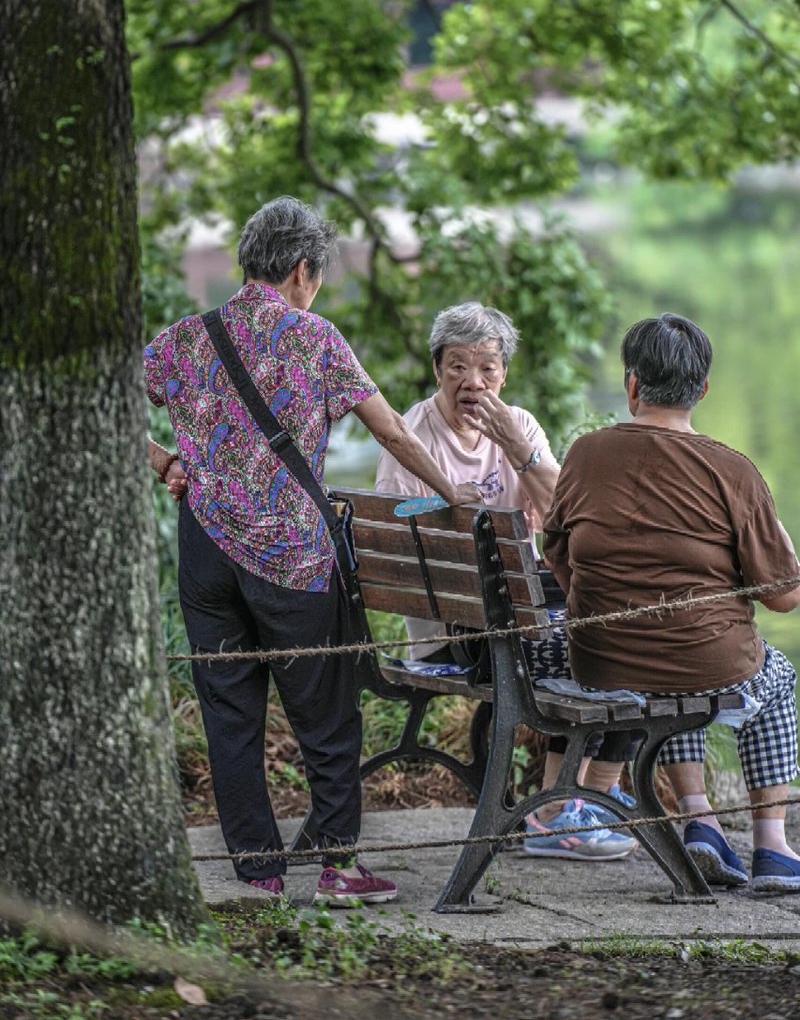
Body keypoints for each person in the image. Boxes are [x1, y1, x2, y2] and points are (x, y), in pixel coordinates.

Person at [144, 196, 481, 906]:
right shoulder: (315, 339)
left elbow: (99, 400)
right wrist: (451, 490)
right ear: (302, 270)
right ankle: (337, 868)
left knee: (229, 712)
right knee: (326, 713)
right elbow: (391, 431)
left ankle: (259, 871)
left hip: (205, 551)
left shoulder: (183, 339)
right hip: (292, 558)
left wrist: (159, 460)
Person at [543, 312, 800, 892]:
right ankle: (773, 847)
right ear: (703, 389)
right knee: (773, 679)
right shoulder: (732, 470)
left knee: (677, 678)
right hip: (702, 661)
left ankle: (701, 820)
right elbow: (783, 596)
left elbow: (557, 553)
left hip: (603, 661)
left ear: (632, 384)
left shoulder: (585, 454)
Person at [375, 301, 639, 860]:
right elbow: (404, 546)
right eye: (457, 367)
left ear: (504, 372)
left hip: (520, 614)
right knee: (592, 644)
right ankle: (556, 809)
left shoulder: (518, 426)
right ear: (436, 368)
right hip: (454, 630)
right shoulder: (411, 435)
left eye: (487, 368)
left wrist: (520, 452)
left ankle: (575, 798)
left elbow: (564, 517)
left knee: (626, 629)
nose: (473, 382)